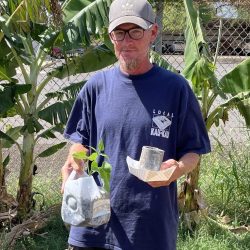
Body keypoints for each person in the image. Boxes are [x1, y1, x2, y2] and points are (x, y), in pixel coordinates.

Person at [61, 0, 211, 249]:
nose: (127, 41)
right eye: (120, 33)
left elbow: (193, 152)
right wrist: (72, 164)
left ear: (153, 33)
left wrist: (174, 170)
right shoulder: (95, 87)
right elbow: (81, 141)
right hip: (93, 223)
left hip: (148, 226)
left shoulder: (176, 89)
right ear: (111, 37)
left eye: (135, 31)